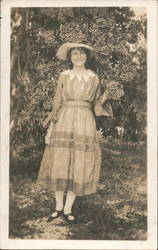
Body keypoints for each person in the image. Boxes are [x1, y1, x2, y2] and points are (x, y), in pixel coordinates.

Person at [37, 42, 113, 224]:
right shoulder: (64, 76)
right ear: (70, 58)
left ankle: (68, 208)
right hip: (64, 119)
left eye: (81, 54)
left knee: (80, 163)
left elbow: (96, 105)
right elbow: (57, 102)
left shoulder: (94, 78)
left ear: (87, 56)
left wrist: (105, 97)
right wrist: (50, 130)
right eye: (74, 54)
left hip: (85, 121)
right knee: (60, 161)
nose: (78, 57)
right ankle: (57, 207)